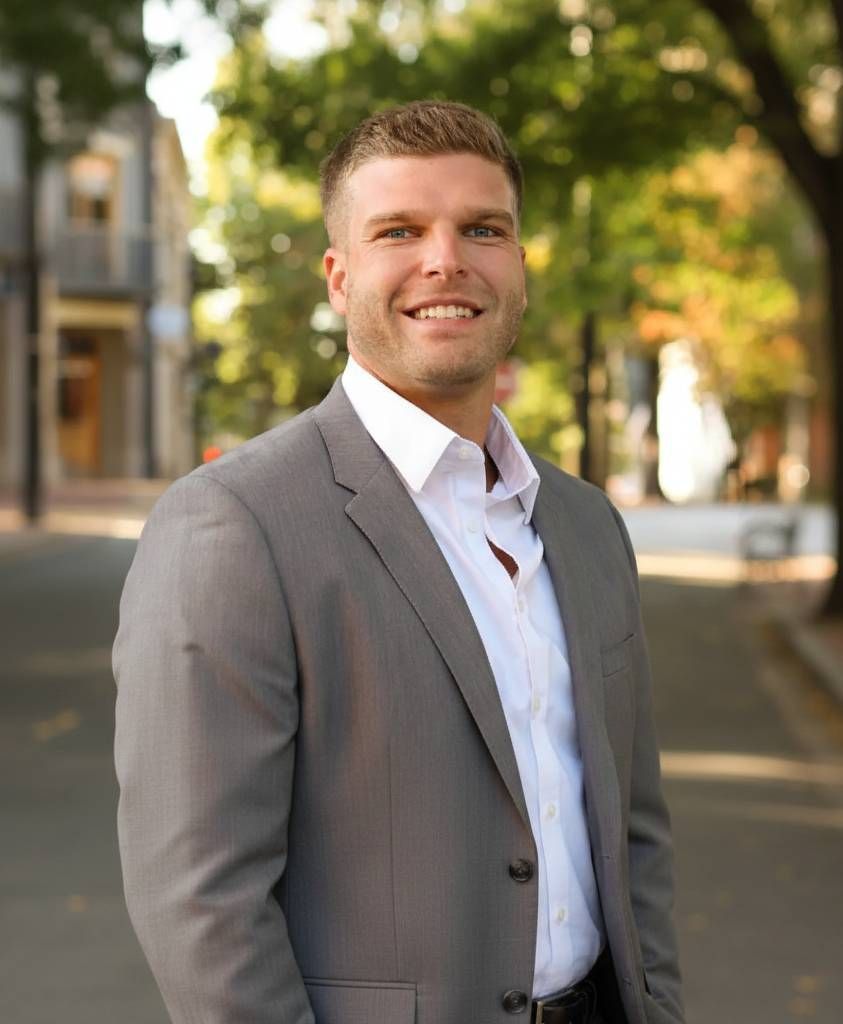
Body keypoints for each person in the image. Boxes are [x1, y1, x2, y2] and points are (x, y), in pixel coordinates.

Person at [114, 100, 683, 1024]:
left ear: (521, 269)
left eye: (483, 229)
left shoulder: (586, 524)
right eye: (399, 230)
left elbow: (635, 829)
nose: (445, 259)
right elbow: (199, 901)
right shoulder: (232, 526)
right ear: (339, 278)